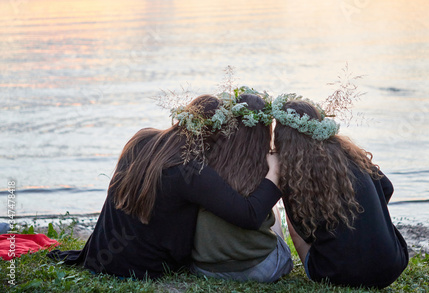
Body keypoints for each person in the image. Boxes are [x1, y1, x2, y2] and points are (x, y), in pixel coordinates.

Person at [48, 95, 283, 279]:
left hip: (100, 256)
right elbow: (249, 215)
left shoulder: (141, 138)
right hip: (144, 266)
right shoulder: (193, 171)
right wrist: (274, 173)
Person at [273, 97, 408, 289]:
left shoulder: (294, 174)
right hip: (392, 266)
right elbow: (387, 188)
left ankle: (316, 267)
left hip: (336, 275)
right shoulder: (350, 153)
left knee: (295, 228)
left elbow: (301, 232)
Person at [191, 93, 293, 282]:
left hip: (205, 268)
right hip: (261, 269)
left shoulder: (205, 162)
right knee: (274, 211)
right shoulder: (269, 166)